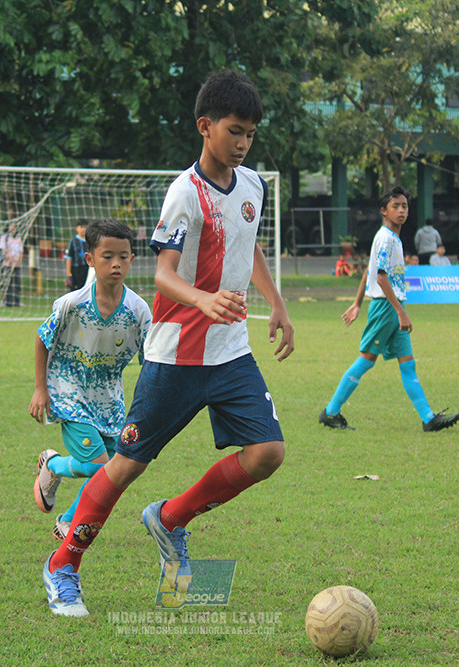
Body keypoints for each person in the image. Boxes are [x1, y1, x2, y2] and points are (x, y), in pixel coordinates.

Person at [41, 69, 294, 617]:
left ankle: (171, 518)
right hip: (175, 355)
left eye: (251, 132)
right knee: (126, 465)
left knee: (268, 452)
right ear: (206, 127)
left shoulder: (252, 185)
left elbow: (249, 248)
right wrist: (202, 299)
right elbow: (163, 273)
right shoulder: (185, 192)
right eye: (234, 130)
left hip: (231, 352)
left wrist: (276, 303)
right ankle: (63, 564)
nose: (244, 142)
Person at [31, 219, 151, 542]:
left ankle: (55, 471)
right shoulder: (71, 304)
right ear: (89, 259)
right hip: (68, 390)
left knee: (116, 473)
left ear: (132, 259)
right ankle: (59, 481)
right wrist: (41, 389)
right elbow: (43, 339)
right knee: (101, 467)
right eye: (107, 256)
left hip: (110, 400)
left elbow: (151, 363)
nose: (116, 264)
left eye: (123, 256)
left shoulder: (139, 312)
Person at [319, 186, 459, 434]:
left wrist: (358, 302)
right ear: (384, 211)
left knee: (408, 364)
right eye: (395, 206)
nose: (401, 210)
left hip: (394, 306)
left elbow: (370, 271)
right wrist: (400, 312)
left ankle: (428, 419)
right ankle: (330, 412)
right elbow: (381, 278)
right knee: (366, 360)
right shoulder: (385, 238)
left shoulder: (393, 238)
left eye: (404, 206)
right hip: (387, 307)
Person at [0, 223, 24, 307]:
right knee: (7, 283)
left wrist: (19, 261)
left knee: (16, 283)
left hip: (16, 265)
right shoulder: (4, 238)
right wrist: (9, 259)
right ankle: (6, 301)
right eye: (11, 226)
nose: (13, 228)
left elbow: (21, 251)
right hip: (7, 264)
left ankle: (16, 301)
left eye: (14, 226)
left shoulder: (18, 239)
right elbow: (3, 250)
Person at [64, 220, 89, 290]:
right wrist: (68, 274)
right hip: (76, 269)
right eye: (81, 227)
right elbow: (69, 258)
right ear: (77, 228)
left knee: (86, 289)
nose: (84, 229)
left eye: (85, 227)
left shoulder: (90, 241)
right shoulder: (73, 241)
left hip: (88, 268)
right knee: (76, 290)